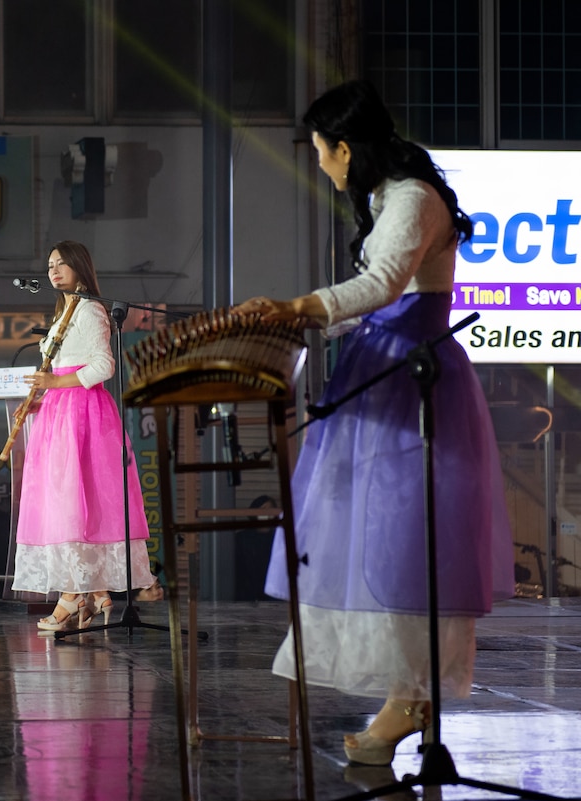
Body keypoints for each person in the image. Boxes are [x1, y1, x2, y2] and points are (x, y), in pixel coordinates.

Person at [235, 79, 514, 766]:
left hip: (410, 380)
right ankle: (406, 693)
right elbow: (384, 298)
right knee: (380, 534)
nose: (319, 164)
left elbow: (383, 285)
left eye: (320, 150)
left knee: (406, 537)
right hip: (386, 372)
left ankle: (411, 697)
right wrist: (305, 320)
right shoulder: (393, 197)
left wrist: (298, 306)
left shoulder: (413, 198)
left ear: (345, 148)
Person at [10, 241, 154, 631]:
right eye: (50, 265)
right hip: (60, 413)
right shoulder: (65, 311)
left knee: (75, 501)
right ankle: (92, 594)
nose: (53, 270)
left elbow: (104, 366)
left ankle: (74, 595)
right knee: (64, 502)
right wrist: (42, 396)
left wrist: (55, 383)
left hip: (82, 414)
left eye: (61, 263)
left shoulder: (89, 309)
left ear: (79, 266)